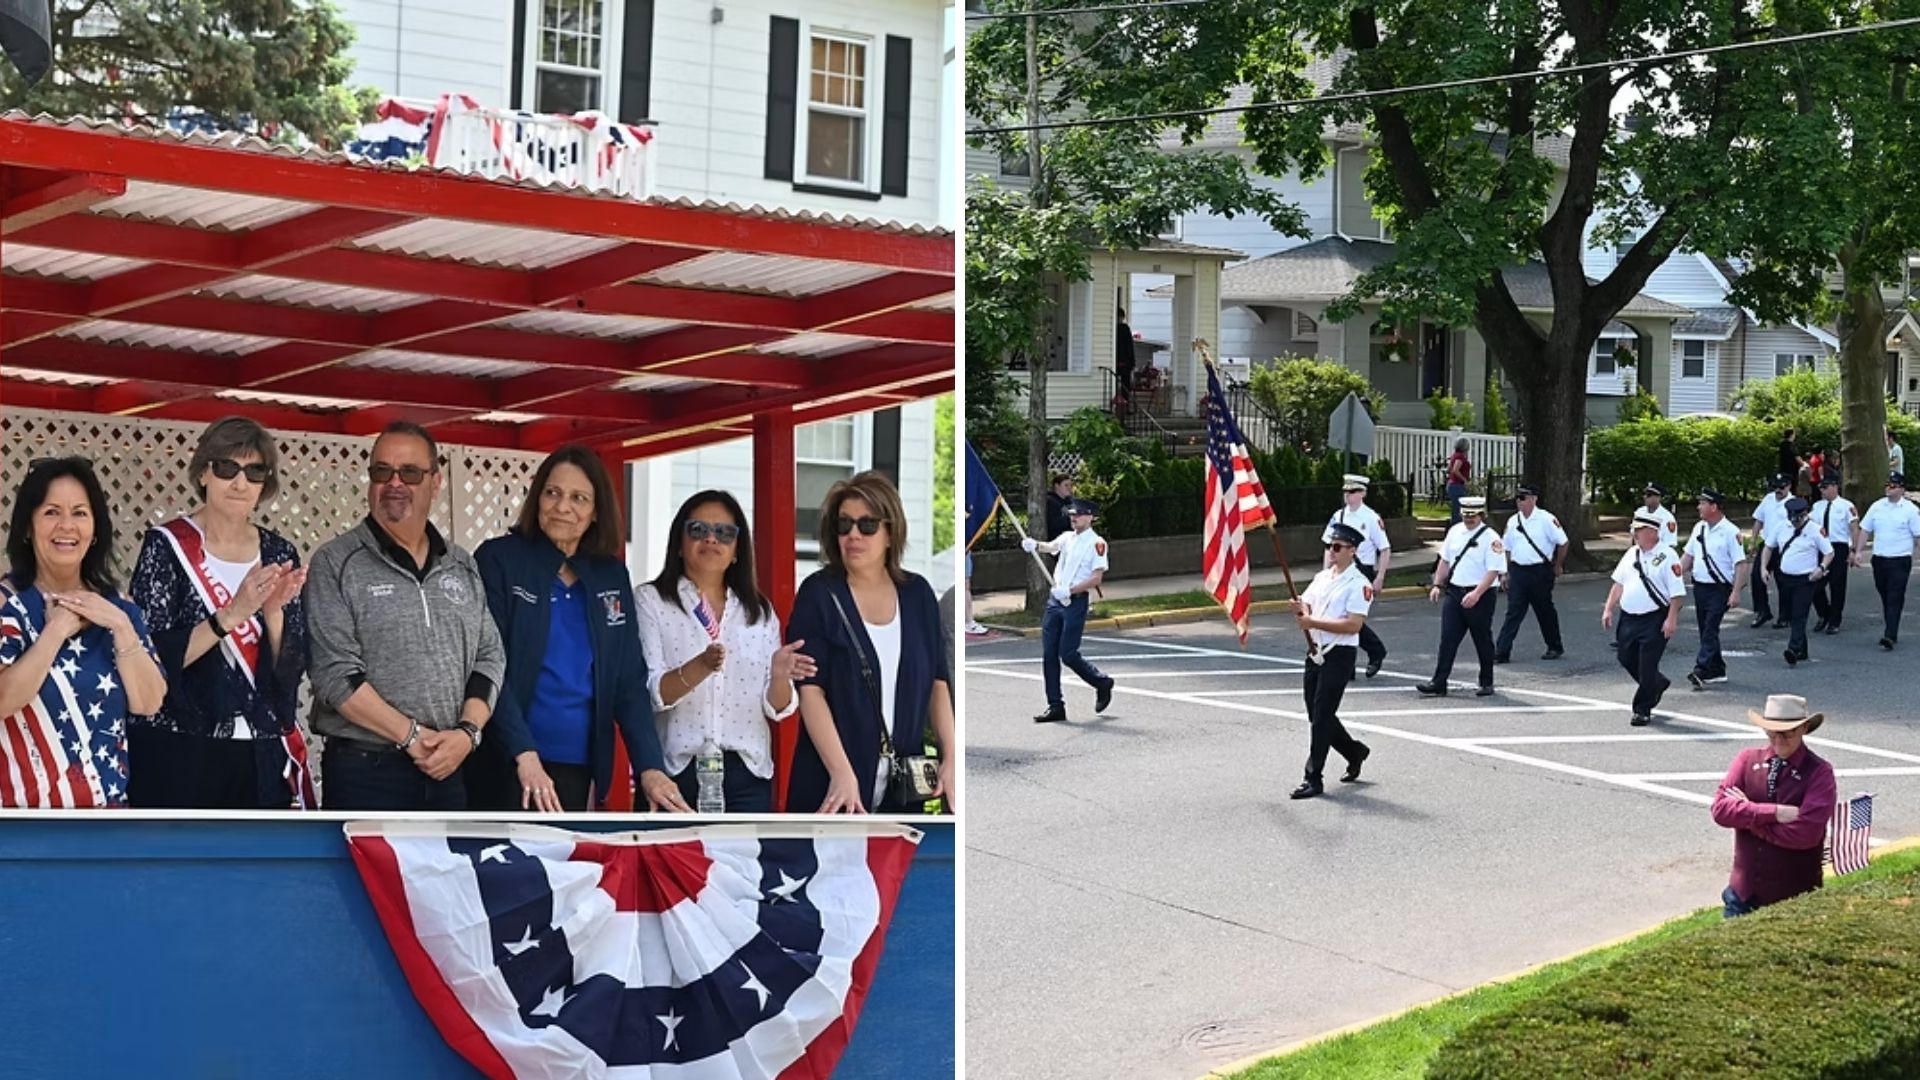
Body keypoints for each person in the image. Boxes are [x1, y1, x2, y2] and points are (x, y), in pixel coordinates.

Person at [304, 421, 505, 810]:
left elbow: (489, 656)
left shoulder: (461, 564)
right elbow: (334, 674)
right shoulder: (334, 562)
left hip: (449, 767)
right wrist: (413, 737)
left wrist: (467, 733)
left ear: (436, 481)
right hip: (366, 772)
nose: (394, 483)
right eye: (382, 471)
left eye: (410, 472)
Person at [472, 446, 685, 813]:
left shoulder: (611, 574)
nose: (562, 507)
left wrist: (650, 767)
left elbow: (628, 682)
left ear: (596, 511)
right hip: (508, 763)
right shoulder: (499, 559)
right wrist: (523, 752)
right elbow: (488, 665)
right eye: (552, 493)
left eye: (578, 498)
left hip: (578, 767)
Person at [127, 417, 313, 809]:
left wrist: (275, 613)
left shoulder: (280, 553)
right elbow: (151, 657)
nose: (240, 482)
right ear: (204, 473)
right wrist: (230, 616)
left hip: (259, 755)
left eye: (254, 471)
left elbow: (290, 671)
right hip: (179, 750)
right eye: (227, 467)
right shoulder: (167, 548)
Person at [0, 458, 166, 807]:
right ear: (27, 527)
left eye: (79, 512)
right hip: (19, 824)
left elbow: (149, 702)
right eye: (51, 512)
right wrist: (54, 633)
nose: (66, 526)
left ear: (95, 530)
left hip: (105, 822)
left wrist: (121, 626)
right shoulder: (7, 602)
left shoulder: (119, 607)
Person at [787, 471, 955, 813]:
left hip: (903, 785)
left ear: (891, 533)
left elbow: (938, 682)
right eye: (844, 525)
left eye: (867, 525)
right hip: (832, 785)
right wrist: (841, 773)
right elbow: (810, 690)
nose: (853, 535)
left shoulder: (918, 595)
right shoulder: (818, 594)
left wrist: (950, 757)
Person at [638, 489, 814, 814]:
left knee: (744, 866)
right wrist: (700, 667)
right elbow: (651, 692)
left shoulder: (758, 611)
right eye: (698, 530)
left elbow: (777, 708)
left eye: (724, 533)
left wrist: (779, 676)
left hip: (747, 772)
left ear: (736, 550)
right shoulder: (651, 601)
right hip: (676, 771)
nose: (711, 539)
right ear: (679, 542)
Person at [1709, 694, 1836, 917]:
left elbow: (1806, 835)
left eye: (1787, 732)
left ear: (1804, 728)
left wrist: (1748, 817)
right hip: (1741, 897)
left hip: (1796, 898)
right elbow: (1720, 811)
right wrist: (1774, 813)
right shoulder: (1747, 759)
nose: (1778, 739)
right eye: (1771, 731)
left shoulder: (1820, 772)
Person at [1287, 522, 1373, 800]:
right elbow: (1308, 602)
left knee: (1322, 715)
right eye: (1329, 546)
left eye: (1337, 547)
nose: (1332, 552)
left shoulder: (1359, 584)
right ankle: (1353, 751)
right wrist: (1301, 608)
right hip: (1316, 651)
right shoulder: (1324, 577)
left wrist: (1312, 621)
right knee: (1316, 713)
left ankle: (1313, 777)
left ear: (1353, 551)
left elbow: (1353, 625)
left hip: (1339, 653)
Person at [1024, 498, 1115, 723]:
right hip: (1056, 601)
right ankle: (1055, 705)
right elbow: (1051, 547)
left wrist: (1071, 590)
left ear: (1091, 517)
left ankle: (1101, 681)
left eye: (1079, 515)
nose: (1074, 518)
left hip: (1075, 601)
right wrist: (1034, 544)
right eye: (1072, 515)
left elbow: (1096, 577)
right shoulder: (1067, 538)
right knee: (1049, 655)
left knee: (1068, 654)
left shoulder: (1097, 543)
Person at [1602, 510, 1687, 726]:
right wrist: (1609, 608)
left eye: (1638, 530)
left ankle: (1642, 709)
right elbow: (1618, 583)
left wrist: (1671, 619)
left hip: (1654, 618)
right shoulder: (1632, 553)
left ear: (1651, 532)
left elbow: (1677, 593)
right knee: (1625, 656)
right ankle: (1656, 684)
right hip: (1629, 617)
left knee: (1647, 665)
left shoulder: (1668, 556)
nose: (1634, 534)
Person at [1417, 496, 1504, 697]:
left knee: (1481, 638)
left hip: (1480, 593)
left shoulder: (1491, 538)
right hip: (1455, 592)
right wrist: (1437, 584)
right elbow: (1445, 561)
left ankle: (1486, 682)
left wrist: (1477, 593)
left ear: (1481, 515)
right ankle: (1439, 682)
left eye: (1472, 516)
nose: (1468, 519)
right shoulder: (1455, 532)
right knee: (1448, 638)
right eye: (1465, 515)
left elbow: (1494, 571)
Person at [1323, 474, 1390, 677]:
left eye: (1352, 492)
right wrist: (1326, 572)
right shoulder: (1338, 516)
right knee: (1340, 615)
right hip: (1339, 569)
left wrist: (1380, 577)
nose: (1347, 496)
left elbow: (1385, 549)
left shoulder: (1371, 518)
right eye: (1345, 491)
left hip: (1362, 571)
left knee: (1351, 617)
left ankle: (1374, 651)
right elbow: (1328, 546)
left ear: (1362, 493)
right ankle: (1352, 663)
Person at [1681, 488, 1748, 690]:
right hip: (1700, 587)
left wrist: (1736, 591)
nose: (1698, 506)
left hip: (1720, 589)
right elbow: (1688, 557)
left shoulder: (1731, 531)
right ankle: (1717, 669)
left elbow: (1741, 564)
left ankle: (1701, 669)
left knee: (1710, 628)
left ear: (1714, 506)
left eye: (1702, 503)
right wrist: (1672, 576)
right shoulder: (1699, 528)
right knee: (1705, 630)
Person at [1494, 484, 1568, 664]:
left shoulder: (1546, 519)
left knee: (1544, 610)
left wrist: (1558, 565)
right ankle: (1502, 651)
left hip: (1540, 571)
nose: (1519, 502)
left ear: (1534, 499)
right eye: (1518, 498)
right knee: (1514, 611)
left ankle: (1554, 646)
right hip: (1519, 571)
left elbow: (1563, 542)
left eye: (1523, 498)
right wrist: (1505, 572)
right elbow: (1507, 548)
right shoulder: (1513, 521)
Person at [1854, 471, 1920, 650]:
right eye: (1887, 485)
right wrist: (1858, 551)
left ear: (1901, 489)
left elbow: (1918, 535)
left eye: (1892, 486)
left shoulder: (1910, 510)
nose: (1888, 489)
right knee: (1884, 593)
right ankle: (1891, 623)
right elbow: (1865, 529)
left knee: (1894, 596)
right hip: (1880, 558)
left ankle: (1890, 635)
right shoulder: (1877, 506)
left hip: (1900, 559)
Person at [1764, 497, 1833, 667]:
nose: (1795, 523)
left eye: (1798, 519)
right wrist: (1763, 568)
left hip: (1806, 579)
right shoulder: (1781, 527)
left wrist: (1821, 568)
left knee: (1799, 614)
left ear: (1805, 515)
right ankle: (1803, 650)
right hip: (1785, 577)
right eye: (1792, 519)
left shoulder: (1816, 530)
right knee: (1790, 613)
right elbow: (1768, 547)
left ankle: (1793, 649)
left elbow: (1829, 552)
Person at [1811, 475, 1857, 635]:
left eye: (1825, 487)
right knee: (1815, 584)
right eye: (1820, 488)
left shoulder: (1846, 506)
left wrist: (1853, 550)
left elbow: (1853, 528)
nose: (1822, 491)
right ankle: (1824, 614)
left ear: (1835, 486)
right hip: (1821, 547)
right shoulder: (1817, 506)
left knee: (1837, 585)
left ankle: (1834, 620)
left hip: (1839, 546)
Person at [1748, 473, 1794, 628]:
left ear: (1789, 486)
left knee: (1784, 582)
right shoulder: (1768, 499)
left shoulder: (1793, 503)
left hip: (1784, 547)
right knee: (1756, 577)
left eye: (1781, 487)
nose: (1778, 490)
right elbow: (1758, 520)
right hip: (1767, 544)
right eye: (1775, 487)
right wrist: (1752, 541)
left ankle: (1785, 615)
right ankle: (1762, 611)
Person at [1444, 438, 1472, 526]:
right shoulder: (1460, 456)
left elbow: (1449, 469)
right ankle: (1454, 529)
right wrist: (1465, 480)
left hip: (1452, 484)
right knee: (1458, 511)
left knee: (1456, 509)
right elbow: (1455, 470)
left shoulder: (1454, 455)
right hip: (1457, 485)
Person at [1044, 473, 1075, 541]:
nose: (1069, 488)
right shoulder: (1050, 501)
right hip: (1057, 540)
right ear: (1057, 486)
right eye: (1066, 485)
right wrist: (1070, 519)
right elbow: (1053, 523)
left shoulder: (1070, 500)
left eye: (1070, 485)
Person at [1115, 306, 1136, 403]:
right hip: (1122, 361)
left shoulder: (1124, 328)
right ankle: (1121, 403)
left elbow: (1129, 346)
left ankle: (1124, 403)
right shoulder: (1123, 329)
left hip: (1124, 362)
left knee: (1125, 385)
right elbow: (1129, 346)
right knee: (1124, 384)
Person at [1778, 427, 1803, 496]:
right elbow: (1797, 457)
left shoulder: (1782, 444)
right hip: (1792, 471)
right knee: (1792, 489)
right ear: (1791, 435)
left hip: (1783, 469)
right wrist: (1803, 464)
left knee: (1783, 487)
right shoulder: (1792, 445)